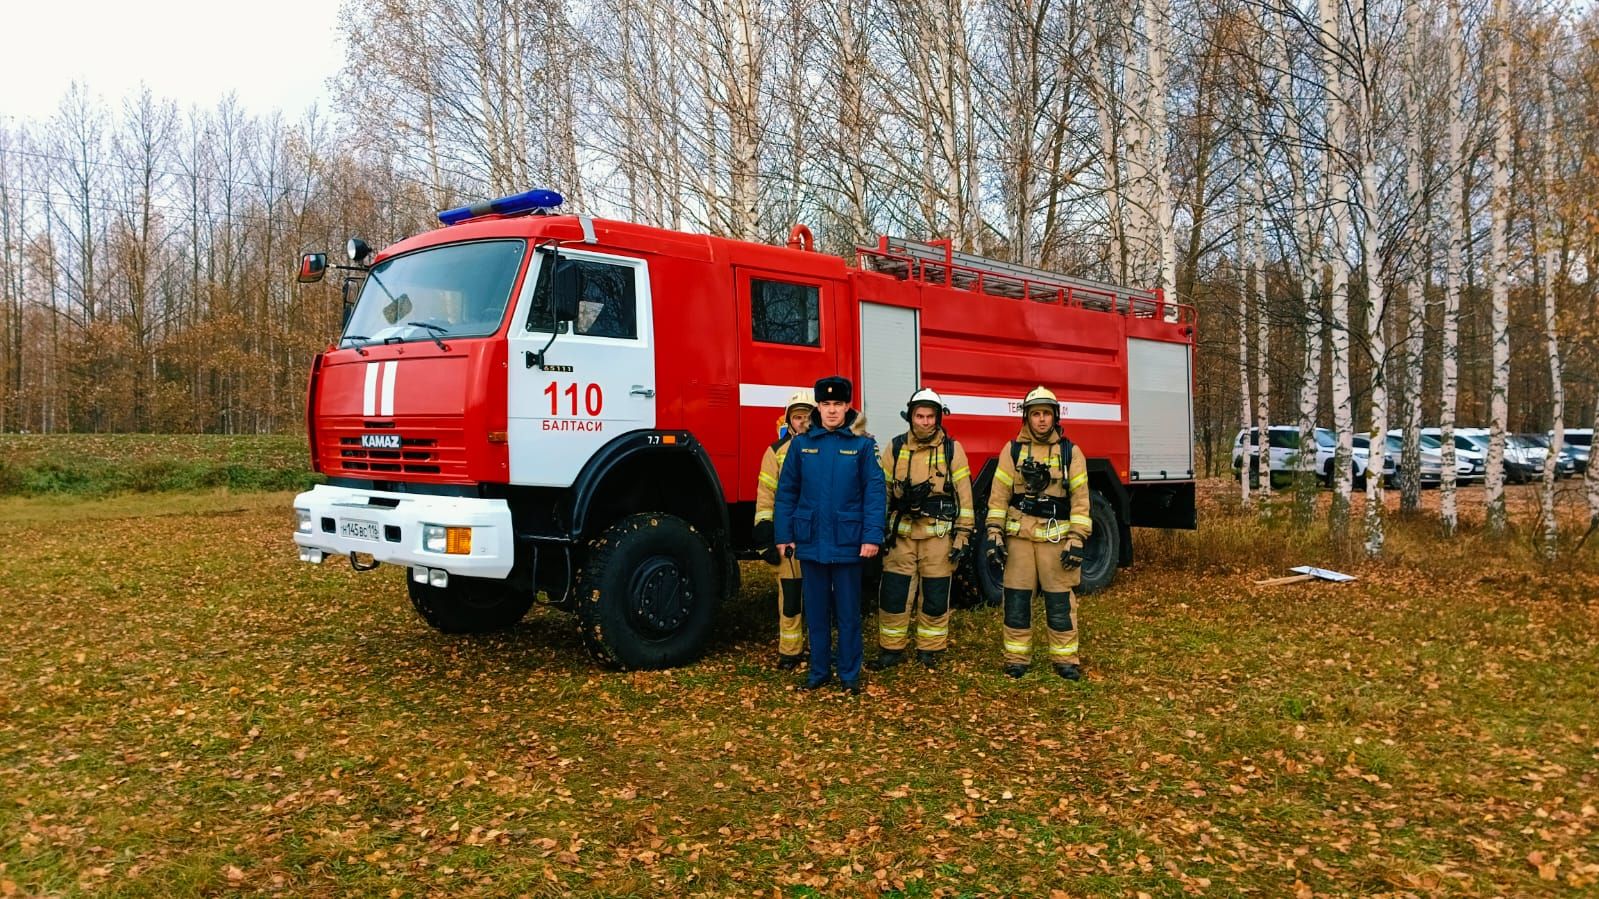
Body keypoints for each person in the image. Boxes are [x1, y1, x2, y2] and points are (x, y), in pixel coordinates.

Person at [773, 376, 886, 694]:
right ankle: (819, 672)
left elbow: (875, 493)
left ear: (848, 405)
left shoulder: (863, 444)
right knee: (817, 613)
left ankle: (849, 675)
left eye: (838, 404)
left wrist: (872, 536)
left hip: (849, 542)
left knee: (849, 614)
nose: (832, 411)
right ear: (818, 407)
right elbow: (787, 492)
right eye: (826, 404)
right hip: (811, 542)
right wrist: (784, 534)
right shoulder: (801, 443)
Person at [984, 386, 1091, 680]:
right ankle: (1016, 658)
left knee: (1060, 602)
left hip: (1055, 538)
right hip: (1019, 538)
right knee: (1016, 600)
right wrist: (994, 533)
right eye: (1035, 414)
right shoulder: (1013, 450)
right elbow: (999, 496)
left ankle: (1065, 660)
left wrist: (1077, 539)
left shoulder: (1071, 453)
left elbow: (1081, 500)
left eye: (1046, 414)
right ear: (1027, 418)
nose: (1041, 420)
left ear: (1054, 417)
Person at [870, 388, 974, 671]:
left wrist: (962, 535)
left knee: (936, 595)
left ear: (938, 417)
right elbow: (883, 493)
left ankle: (931, 650)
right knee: (894, 594)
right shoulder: (896, 447)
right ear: (911, 417)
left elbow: (964, 496)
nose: (925, 422)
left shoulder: (953, 450)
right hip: (901, 536)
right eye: (920, 416)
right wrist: (875, 530)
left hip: (938, 538)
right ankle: (891, 650)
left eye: (930, 416)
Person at [751, 390, 815, 670]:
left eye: (807, 417)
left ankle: (818, 648)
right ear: (789, 420)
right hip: (789, 538)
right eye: (797, 416)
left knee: (819, 596)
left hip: (818, 536)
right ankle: (790, 652)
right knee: (790, 596)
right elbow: (766, 494)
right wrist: (764, 532)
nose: (802, 422)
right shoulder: (775, 452)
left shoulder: (825, 448)